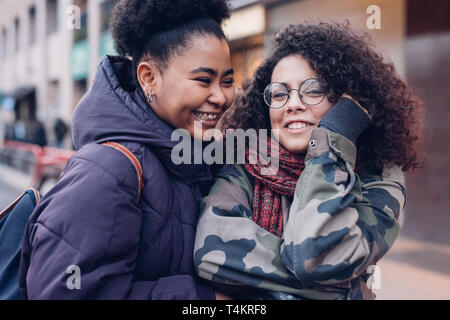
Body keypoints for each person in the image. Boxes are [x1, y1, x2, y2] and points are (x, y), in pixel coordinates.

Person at [19, 0, 235, 299]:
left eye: (228, 81)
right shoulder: (107, 170)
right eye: (203, 80)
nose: (220, 96)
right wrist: (204, 299)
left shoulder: (197, 158)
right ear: (149, 78)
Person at [194, 22, 424, 299]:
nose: (292, 104)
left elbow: (313, 257)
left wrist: (331, 142)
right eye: (279, 93)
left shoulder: (377, 177)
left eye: (313, 90)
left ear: (345, 102)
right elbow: (212, 254)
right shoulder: (245, 164)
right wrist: (347, 293)